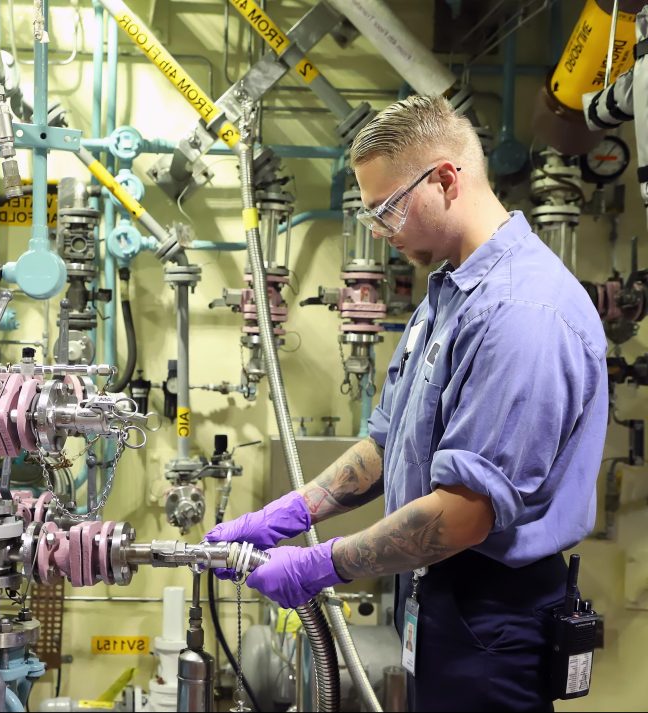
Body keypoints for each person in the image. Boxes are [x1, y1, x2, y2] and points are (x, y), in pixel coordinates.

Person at [206, 95, 609, 711]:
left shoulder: (522, 313)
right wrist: (291, 512)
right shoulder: (448, 294)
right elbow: (389, 439)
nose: (383, 234)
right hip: (444, 597)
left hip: (497, 613)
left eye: (389, 210)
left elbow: (464, 514)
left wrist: (320, 564)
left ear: (446, 179)